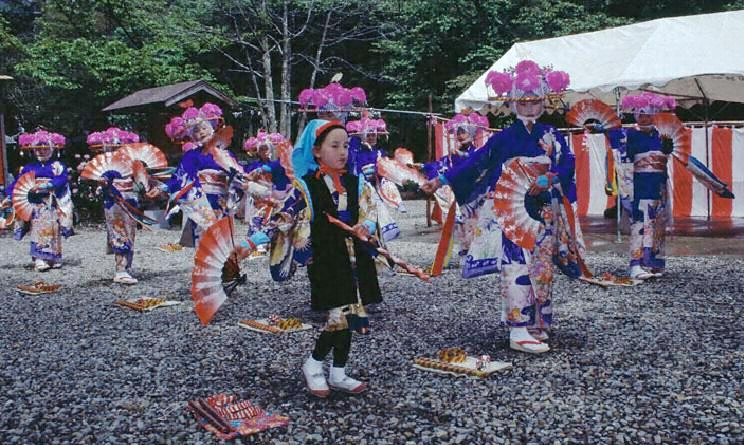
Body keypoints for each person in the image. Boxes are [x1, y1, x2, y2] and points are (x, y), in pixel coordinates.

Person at [422, 59, 579, 354]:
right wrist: (442, 179)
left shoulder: (552, 136)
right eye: (523, 101)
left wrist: (549, 178)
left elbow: (568, 165)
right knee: (515, 264)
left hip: (543, 208)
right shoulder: (504, 138)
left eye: (535, 101)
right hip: (513, 210)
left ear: (544, 101)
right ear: (511, 103)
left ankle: (537, 324)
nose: (529, 107)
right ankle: (517, 329)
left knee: (542, 265)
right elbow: (475, 163)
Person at [244, 120, 382, 397]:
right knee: (338, 318)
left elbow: (370, 210)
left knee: (351, 317)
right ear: (317, 151)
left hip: (355, 258)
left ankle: (339, 372)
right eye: (334, 146)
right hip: (326, 259)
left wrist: (365, 227)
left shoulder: (357, 183)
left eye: (345, 145)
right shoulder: (305, 186)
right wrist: (254, 240)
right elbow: (286, 216)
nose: (342, 151)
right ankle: (314, 363)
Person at [162, 103, 240, 247]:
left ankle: (223, 268)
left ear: (212, 129)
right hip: (200, 200)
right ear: (193, 136)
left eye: (204, 128)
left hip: (221, 199)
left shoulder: (226, 154)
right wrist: (164, 188)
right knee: (204, 237)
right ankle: (205, 268)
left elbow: (239, 175)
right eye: (197, 131)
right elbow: (180, 176)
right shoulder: (191, 155)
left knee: (222, 238)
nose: (201, 133)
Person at [4, 130, 71, 271]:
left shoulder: (58, 166)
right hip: (35, 203)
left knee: (54, 228)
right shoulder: (28, 167)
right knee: (38, 229)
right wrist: (10, 196)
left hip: (52, 201)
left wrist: (47, 185)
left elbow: (62, 179)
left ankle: (53, 257)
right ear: (33, 151)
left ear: (52, 150)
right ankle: (39, 258)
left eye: (46, 149)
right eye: (38, 149)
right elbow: (18, 184)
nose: (42, 152)